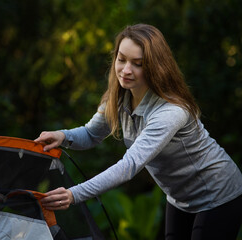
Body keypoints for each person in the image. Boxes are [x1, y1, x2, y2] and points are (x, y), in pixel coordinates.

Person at [35, 23, 242, 240]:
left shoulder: (170, 112)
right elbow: (90, 134)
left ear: (155, 67)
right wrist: (63, 136)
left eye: (138, 64)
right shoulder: (118, 98)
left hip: (219, 193)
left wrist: (73, 194)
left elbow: (129, 166)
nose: (126, 70)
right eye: (121, 59)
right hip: (180, 199)